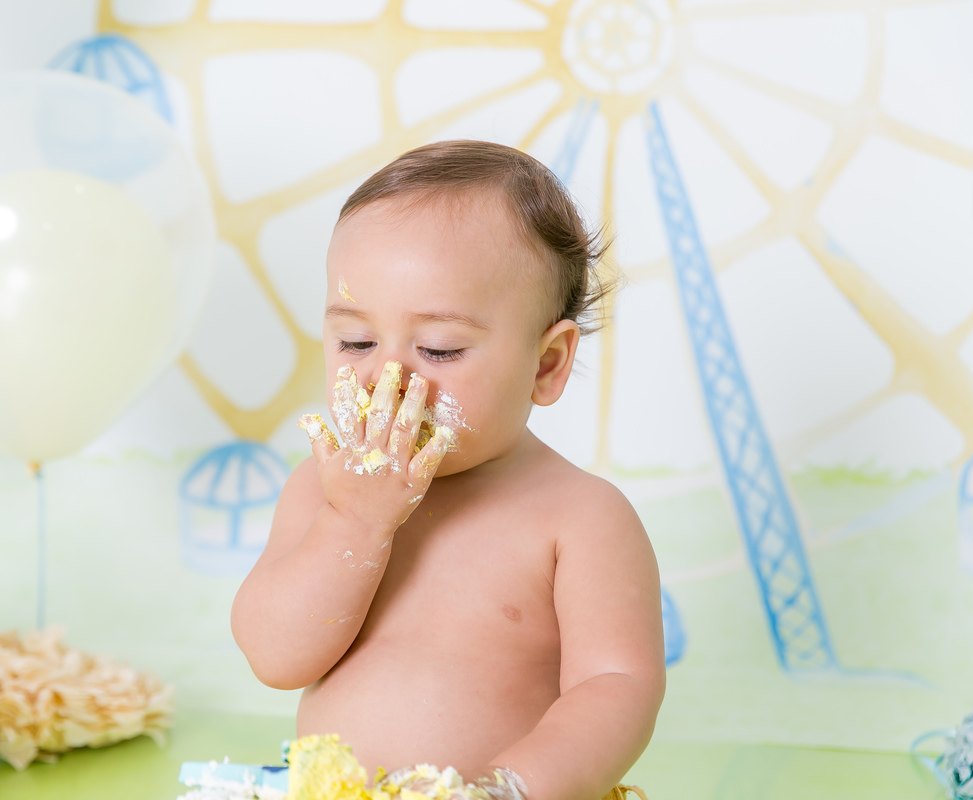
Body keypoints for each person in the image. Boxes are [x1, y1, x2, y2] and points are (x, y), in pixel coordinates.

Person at [230, 140, 665, 800]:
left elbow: (617, 685)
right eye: (356, 340)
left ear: (546, 364)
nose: (387, 375)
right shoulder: (321, 491)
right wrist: (355, 523)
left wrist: (517, 787)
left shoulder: (580, 517)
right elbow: (275, 657)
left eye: (439, 348)